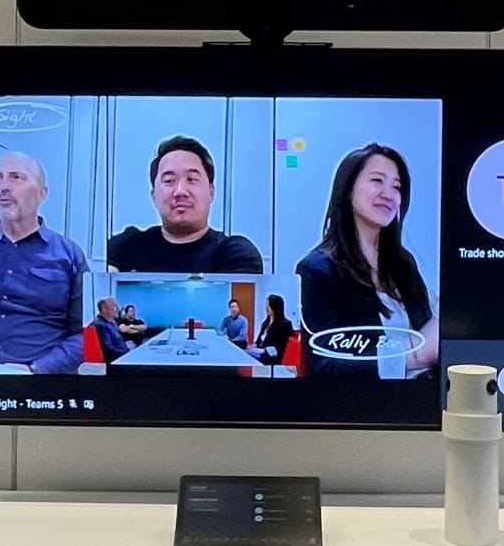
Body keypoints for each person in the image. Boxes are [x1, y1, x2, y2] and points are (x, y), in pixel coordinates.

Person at [295, 143, 438, 379]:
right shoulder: (317, 270)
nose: (388, 194)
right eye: (377, 181)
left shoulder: (403, 264)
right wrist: (413, 356)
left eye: (396, 187)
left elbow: (430, 333)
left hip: (424, 395)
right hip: (363, 399)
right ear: (348, 189)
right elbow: (324, 367)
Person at [0, 151, 89, 375]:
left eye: (16, 177)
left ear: (41, 194)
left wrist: (37, 369)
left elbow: (85, 334)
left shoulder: (69, 256)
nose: (4, 186)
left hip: (37, 383)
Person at [107, 135, 263, 273]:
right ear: (154, 196)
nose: (180, 191)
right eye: (169, 181)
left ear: (211, 192)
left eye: (192, 179)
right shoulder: (126, 246)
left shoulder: (235, 254)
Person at [247, 294, 293, 365]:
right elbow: (258, 342)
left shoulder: (285, 325)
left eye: (268, 306)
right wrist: (249, 348)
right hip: (261, 357)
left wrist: (262, 351)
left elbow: (280, 347)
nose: (266, 308)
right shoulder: (265, 323)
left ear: (275, 307)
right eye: (266, 305)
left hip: (272, 360)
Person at [92, 297, 130, 363]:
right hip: (116, 361)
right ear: (104, 309)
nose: (118, 309)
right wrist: (127, 354)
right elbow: (109, 349)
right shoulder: (100, 325)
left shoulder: (112, 321)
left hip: (123, 354)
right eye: (114, 306)